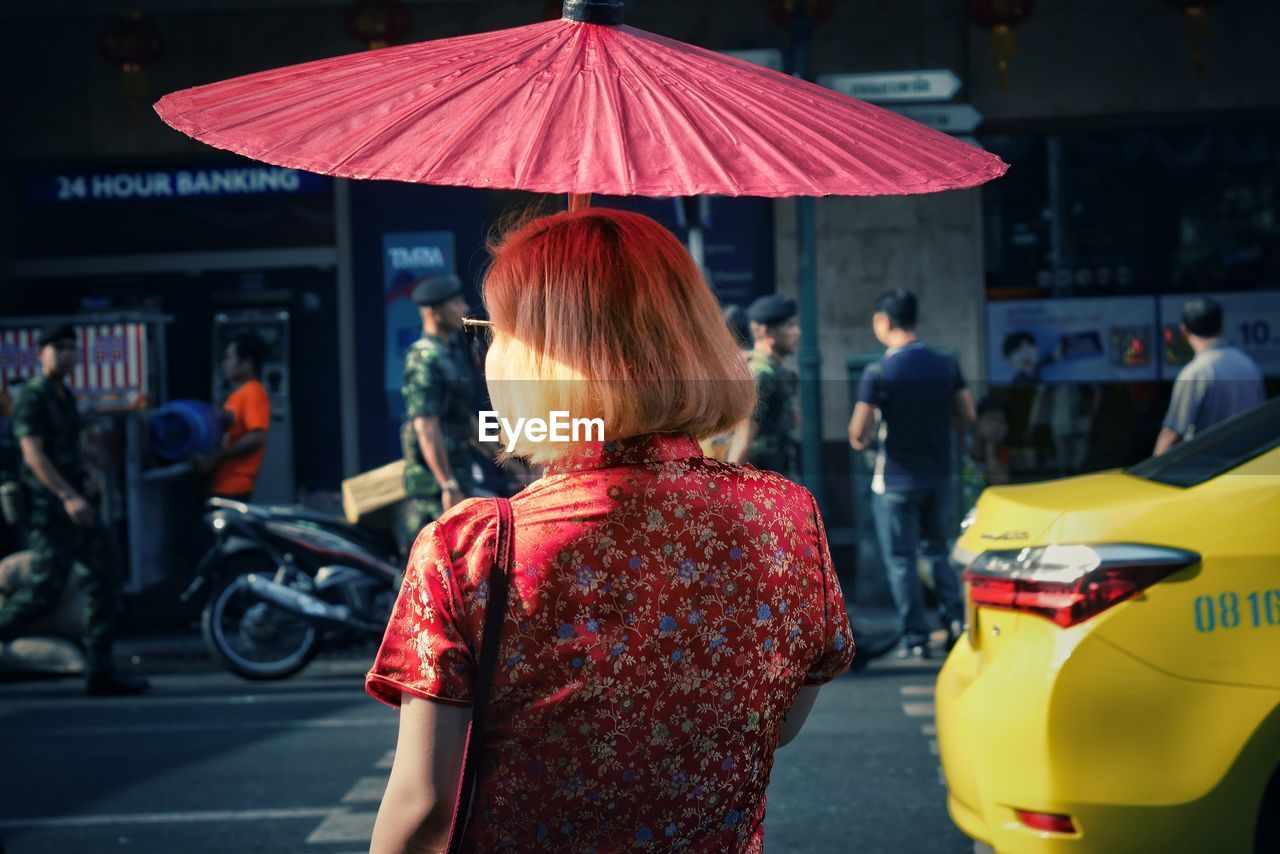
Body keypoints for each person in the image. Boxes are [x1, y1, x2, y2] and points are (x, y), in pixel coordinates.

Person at [366, 208, 854, 853]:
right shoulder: (787, 516)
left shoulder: (472, 550)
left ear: (538, 360)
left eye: (495, 333)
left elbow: (426, 809)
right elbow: (779, 724)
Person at [0, 323, 149, 695]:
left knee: (106, 575)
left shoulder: (64, 395)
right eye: (58, 348)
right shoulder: (33, 396)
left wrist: (91, 469)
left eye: (71, 348)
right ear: (41, 354)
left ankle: (100, 671)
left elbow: (71, 447)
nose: (66, 354)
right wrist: (68, 496)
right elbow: (33, 454)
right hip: (50, 510)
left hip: (77, 507)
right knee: (45, 591)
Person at [848, 290, 974, 659]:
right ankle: (954, 622)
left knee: (901, 561)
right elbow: (968, 413)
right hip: (938, 476)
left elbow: (857, 432)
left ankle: (916, 637)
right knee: (938, 551)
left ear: (883, 322)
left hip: (896, 482)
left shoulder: (878, 371)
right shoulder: (946, 364)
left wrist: (870, 436)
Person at [400, 275, 486, 548]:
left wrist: (501, 458)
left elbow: (464, 417)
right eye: (455, 303)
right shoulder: (423, 358)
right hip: (434, 491)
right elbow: (426, 426)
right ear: (432, 311)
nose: (463, 309)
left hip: (460, 478)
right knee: (436, 563)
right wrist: (447, 484)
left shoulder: (451, 352)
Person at [1154, 296, 1265, 456]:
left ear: (1184, 331)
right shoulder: (1248, 364)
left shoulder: (1195, 372)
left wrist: (1150, 473)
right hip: (1247, 465)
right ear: (1222, 326)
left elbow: (1171, 434)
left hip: (1208, 470)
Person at [726, 294, 800, 477]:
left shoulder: (774, 370)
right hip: (762, 482)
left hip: (776, 476)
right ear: (767, 332)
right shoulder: (761, 373)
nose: (797, 332)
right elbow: (743, 437)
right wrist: (724, 489)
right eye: (790, 326)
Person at [198, 331, 271, 501]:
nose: (225, 363)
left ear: (246, 363)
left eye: (230, 358)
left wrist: (219, 455)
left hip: (235, 486)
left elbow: (257, 436)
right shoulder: (237, 395)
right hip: (222, 483)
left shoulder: (253, 392)